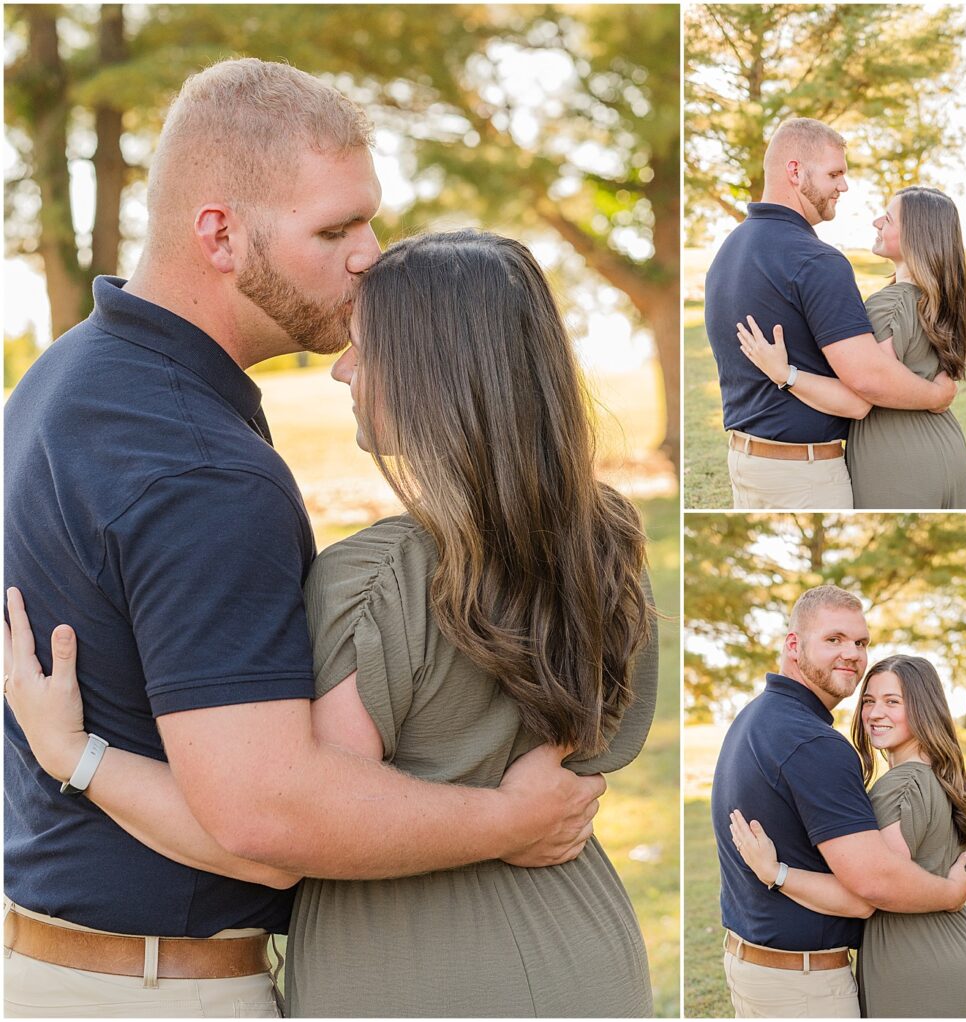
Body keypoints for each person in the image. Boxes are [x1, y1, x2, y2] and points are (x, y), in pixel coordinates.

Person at [2, 59, 605, 1018]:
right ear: (220, 234)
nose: (372, 254)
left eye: (369, 218)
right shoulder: (201, 464)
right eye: (335, 230)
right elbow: (266, 811)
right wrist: (506, 820)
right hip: (161, 989)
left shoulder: (70, 374)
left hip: (63, 959)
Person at [710, 585, 966, 1018]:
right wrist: (950, 893)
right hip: (801, 986)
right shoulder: (814, 742)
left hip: (753, 965)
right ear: (794, 646)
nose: (852, 653)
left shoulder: (757, 715)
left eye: (861, 642)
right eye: (834, 639)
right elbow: (871, 890)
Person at [704, 118, 958, 510]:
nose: (844, 185)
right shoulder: (817, 260)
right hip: (803, 475)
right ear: (795, 171)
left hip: (746, 463)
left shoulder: (729, 250)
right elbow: (864, 389)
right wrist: (937, 395)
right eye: (834, 173)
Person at [736, 185, 966, 508]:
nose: (876, 222)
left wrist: (785, 373)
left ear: (915, 237)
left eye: (888, 220)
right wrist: (937, 395)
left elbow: (863, 392)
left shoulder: (889, 305)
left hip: (898, 459)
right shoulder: (943, 302)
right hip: (947, 449)